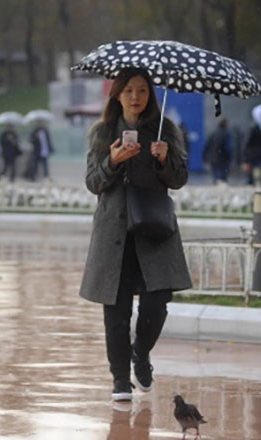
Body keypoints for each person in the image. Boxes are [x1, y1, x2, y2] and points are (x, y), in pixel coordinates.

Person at [79, 68, 192, 402]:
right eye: (128, 91)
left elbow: (179, 178)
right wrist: (112, 161)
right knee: (116, 310)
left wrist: (164, 160)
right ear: (117, 94)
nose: (135, 97)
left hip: (152, 230)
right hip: (114, 232)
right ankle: (119, 379)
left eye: (142, 91)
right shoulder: (102, 133)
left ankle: (140, 354)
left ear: (150, 95)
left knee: (157, 303)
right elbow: (92, 183)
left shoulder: (164, 130)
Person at [242, 104, 261, 185]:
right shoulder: (254, 128)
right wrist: (246, 160)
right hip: (254, 158)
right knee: (255, 178)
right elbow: (247, 144)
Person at [203, 118, 233, 183]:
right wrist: (230, 157)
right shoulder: (227, 134)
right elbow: (229, 147)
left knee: (216, 176)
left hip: (214, 158)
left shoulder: (213, 133)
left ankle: (216, 185)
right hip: (224, 158)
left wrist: (205, 157)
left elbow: (207, 146)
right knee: (223, 177)